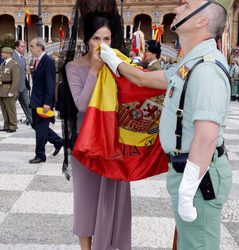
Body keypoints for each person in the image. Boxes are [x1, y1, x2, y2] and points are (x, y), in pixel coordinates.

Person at [100, 0, 232, 249]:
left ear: (201, 20)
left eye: (186, 5)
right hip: (188, 169)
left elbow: (206, 135)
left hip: (199, 174)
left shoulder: (205, 68)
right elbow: (144, 78)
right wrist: (115, 61)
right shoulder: (190, 64)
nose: (179, 7)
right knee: (189, 243)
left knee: (198, 245)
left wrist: (189, 187)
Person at [63, 5, 131, 250]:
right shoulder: (74, 67)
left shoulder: (119, 65)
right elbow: (81, 104)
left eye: (107, 39)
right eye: (96, 39)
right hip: (85, 145)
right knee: (85, 202)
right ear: (86, 39)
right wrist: (94, 70)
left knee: (113, 203)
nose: (101, 44)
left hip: (113, 145)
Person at [29, 37, 64, 164]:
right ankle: (58, 141)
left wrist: (48, 103)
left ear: (40, 47)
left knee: (40, 130)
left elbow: (50, 83)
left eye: (32, 46)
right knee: (37, 126)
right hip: (36, 100)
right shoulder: (38, 60)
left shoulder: (47, 61)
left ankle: (40, 155)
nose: (30, 48)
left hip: (43, 102)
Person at [12, 40, 33, 125]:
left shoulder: (23, 58)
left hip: (23, 86)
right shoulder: (12, 56)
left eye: (24, 46)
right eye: (22, 46)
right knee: (11, 107)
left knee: (28, 105)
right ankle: (9, 124)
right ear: (16, 47)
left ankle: (33, 122)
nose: (24, 48)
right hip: (15, 87)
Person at [0, 47, 20, 133]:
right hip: (2, 89)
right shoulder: (3, 64)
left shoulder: (14, 64)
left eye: (3, 53)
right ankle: (6, 125)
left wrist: (12, 91)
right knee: (4, 109)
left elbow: (16, 80)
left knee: (11, 109)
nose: (2, 54)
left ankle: (13, 126)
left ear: (8, 54)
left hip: (9, 89)